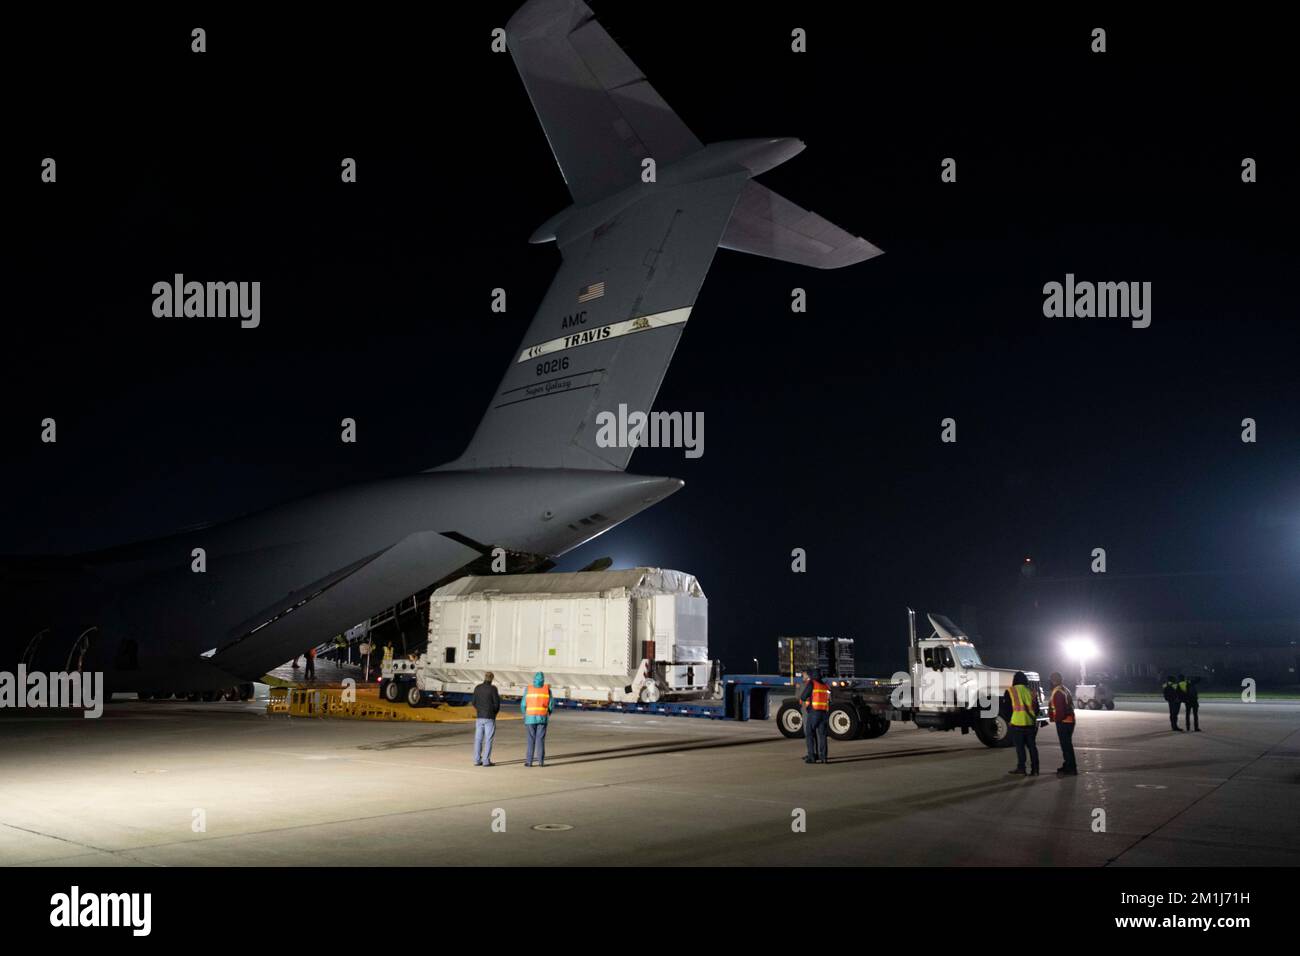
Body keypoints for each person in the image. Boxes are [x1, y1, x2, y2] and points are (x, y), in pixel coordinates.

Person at [1006, 671, 1040, 776]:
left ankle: (1021, 768)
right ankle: (1035, 770)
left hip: (1017, 724)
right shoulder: (1032, 691)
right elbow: (1037, 709)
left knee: (1020, 748)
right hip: (1030, 724)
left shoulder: (1010, 691)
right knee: (1032, 747)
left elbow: (1007, 709)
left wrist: (1009, 721)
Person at [1047, 672, 1077, 776]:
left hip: (1063, 722)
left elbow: (1060, 710)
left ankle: (1071, 768)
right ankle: (1068, 765)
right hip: (1069, 721)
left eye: (1051, 680)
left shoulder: (1058, 692)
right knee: (1067, 745)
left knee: (1066, 746)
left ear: (1053, 681)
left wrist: (1055, 719)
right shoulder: (1064, 689)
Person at [521, 672, 553, 767]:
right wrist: (549, 713)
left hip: (530, 718)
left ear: (534, 679)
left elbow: (523, 704)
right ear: (543, 680)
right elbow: (551, 704)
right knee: (540, 740)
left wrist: (525, 714)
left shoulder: (528, 689)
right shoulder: (547, 690)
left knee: (531, 740)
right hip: (542, 718)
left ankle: (529, 762)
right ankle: (541, 762)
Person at [799, 668, 830, 764]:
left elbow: (803, 696)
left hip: (814, 713)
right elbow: (829, 700)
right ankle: (823, 757)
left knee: (809, 734)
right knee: (822, 736)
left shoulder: (812, 683)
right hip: (824, 713)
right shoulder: (825, 686)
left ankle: (812, 757)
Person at [472, 672, 501, 766]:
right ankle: (486, 761)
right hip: (489, 717)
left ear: (484, 677)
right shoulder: (493, 689)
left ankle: (477, 760)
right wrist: (494, 713)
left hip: (480, 716)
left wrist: (479, 710)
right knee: (488, 739)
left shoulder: (478, 688)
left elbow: (474, 702)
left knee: (478, 739)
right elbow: (497, 704)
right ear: (492, 678)